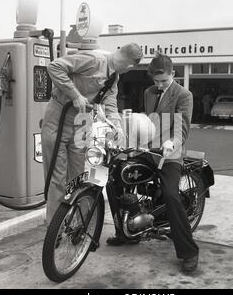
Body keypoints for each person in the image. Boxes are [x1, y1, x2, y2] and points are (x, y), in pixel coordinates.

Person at [107, 53, 199, 273]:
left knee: (171, 195)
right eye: (156, 81)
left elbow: (183, 128)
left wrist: (171, 142)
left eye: (163, 81)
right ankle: (125, 231)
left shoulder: (183, 95)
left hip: (170, 152)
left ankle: (189, 252)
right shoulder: (148, 92)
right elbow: (147, 122)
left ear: (173, 75)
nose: (158, 85)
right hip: (149, 148)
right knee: (117, 173)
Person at [41, 43, 143, 225]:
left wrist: (117, 127)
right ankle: (54, 227)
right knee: (57, 177)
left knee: (79, 176)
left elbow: (110, 103)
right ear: (129, 66)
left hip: (83, 122)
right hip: (59, 117)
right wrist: (75, 95)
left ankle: (75, 223)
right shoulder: (93, 60)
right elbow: (54, 66)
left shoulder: (114, 78)